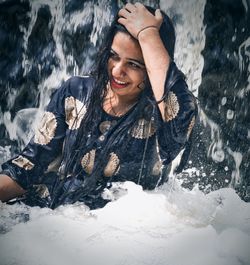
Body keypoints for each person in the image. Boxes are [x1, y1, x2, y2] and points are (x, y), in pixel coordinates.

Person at [0, 3, 197, 209]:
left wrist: (148, 35)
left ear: (151, 68)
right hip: (59, 218)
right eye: (113, 56)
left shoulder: (162, 117)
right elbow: (28, 170)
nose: (117, 71)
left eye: (134, 64)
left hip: (129, 231)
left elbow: (181, 114)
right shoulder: (76, 92)